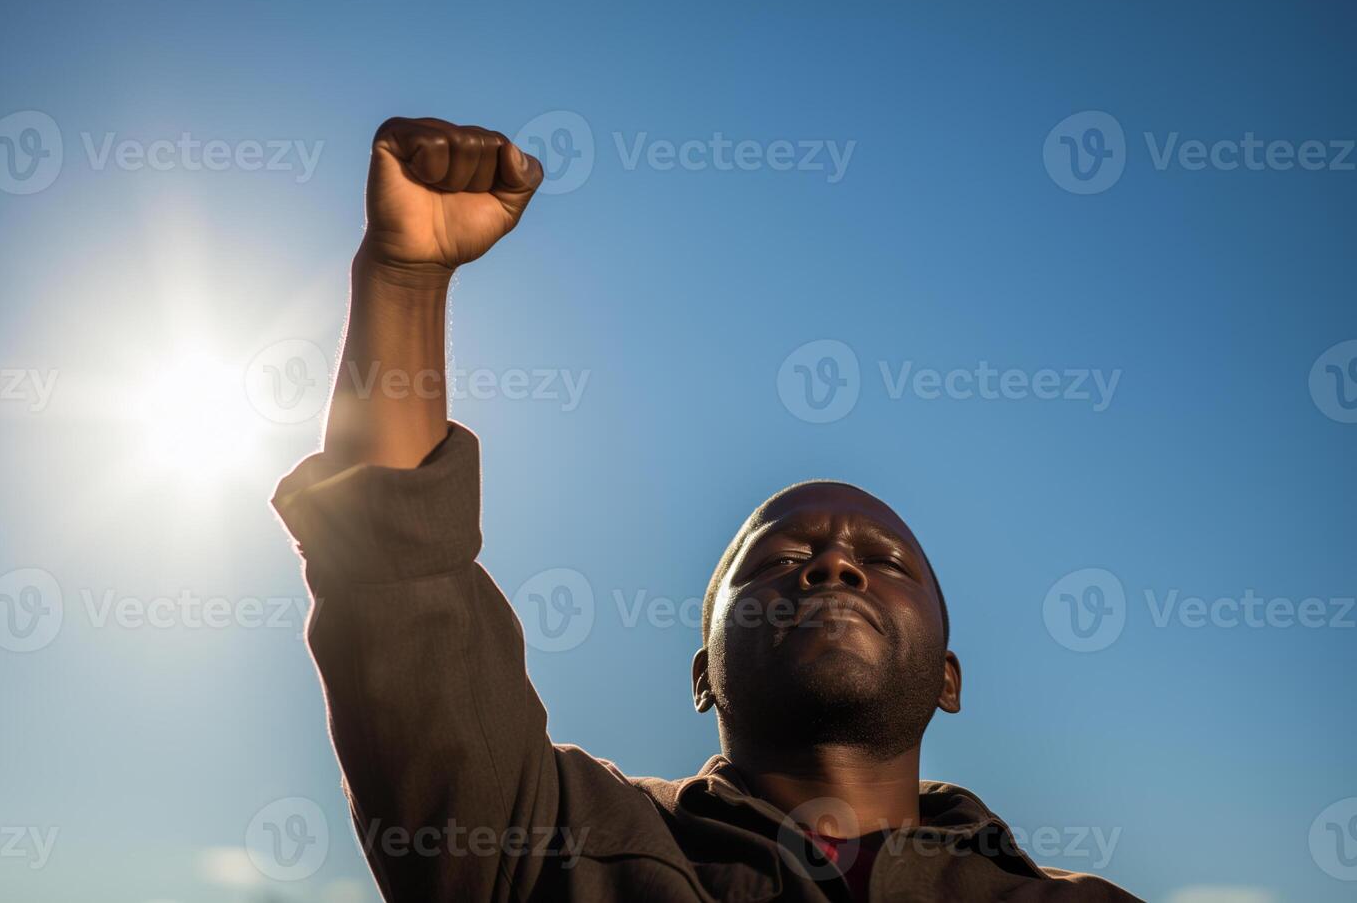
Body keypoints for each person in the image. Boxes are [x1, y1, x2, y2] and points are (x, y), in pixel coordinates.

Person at [272, 116, 1141, 902]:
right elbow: (398, 581)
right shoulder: (559, 844)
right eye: (776, 561)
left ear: (949, 677)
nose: (833, 564)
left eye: (882, 561)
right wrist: (403, 280)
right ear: (703, 675)